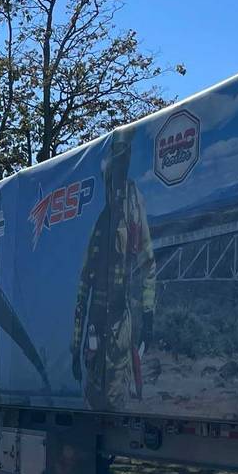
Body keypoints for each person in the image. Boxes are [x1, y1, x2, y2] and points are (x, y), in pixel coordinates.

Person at [70, 127, 156, 410]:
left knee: (117, 398)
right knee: (94, 397)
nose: (115, 183)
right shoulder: (100, 228)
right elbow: (83, 289)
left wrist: (148, 312)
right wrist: (76, 345)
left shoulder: (134, 209)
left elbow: (147, 262)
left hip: (120, 325)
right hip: (97, 324)